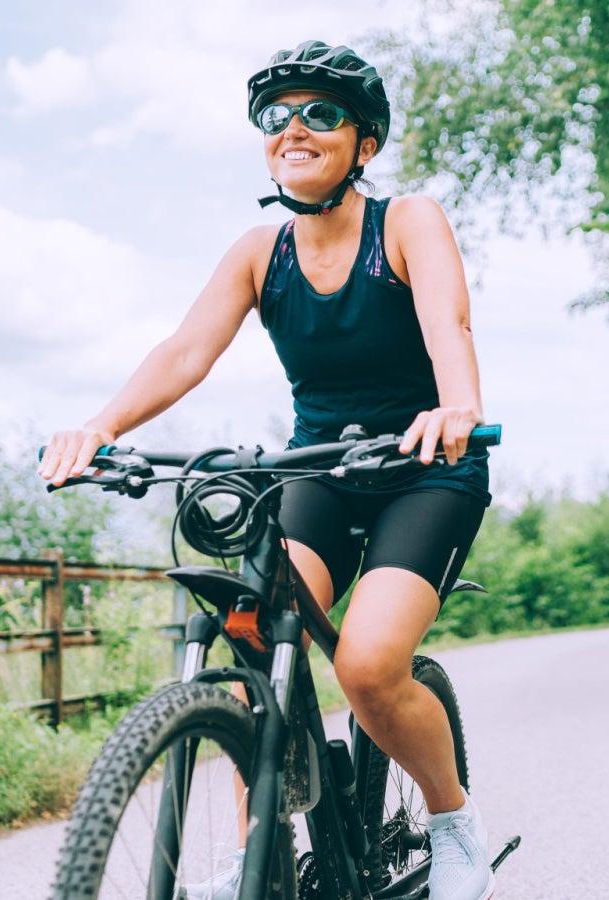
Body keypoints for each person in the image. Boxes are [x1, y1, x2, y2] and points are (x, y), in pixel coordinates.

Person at [37, 39, 496, 900]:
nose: (295, 128)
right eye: (277, 116)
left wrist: (458, 408)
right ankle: (263, 853)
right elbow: (185, 352)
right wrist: (99, 428)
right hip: (318, 470)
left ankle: (452, 822)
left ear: (363, 144)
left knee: (367, 667)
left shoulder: (407, 222)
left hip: (424, 469)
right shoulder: (261, 251)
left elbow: (450, 324)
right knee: (257, 641)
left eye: (321, 113)